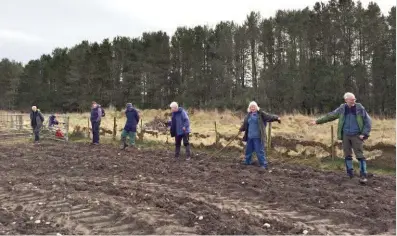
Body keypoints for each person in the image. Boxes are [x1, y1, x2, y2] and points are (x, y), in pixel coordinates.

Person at [310, 92, 372, 183]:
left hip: (357, 135)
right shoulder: (342, 108)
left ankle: (363, 174)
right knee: (347, 155)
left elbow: (368, 121)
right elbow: (330, 116)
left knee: (360, 155)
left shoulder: (360, 108)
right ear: (346, 100)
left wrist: (364, 133)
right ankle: (350, 173)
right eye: (351, 100)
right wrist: (317, 121)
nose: (354, 101)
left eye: (354, 99)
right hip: (345, 135)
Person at [239, 101, 281, 169]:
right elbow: (245, 124)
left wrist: (276, 118)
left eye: (254, 106)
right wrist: (241, 129)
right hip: (250, 137)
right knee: (248, 150)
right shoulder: (248, 115)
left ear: (256, 107)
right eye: (251, 107)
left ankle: (263, 164)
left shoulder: (261, 114)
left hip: (258, 137)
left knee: (259, 151)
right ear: (249, 108)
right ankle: (247, 161)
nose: (253, 108)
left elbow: (269, 117)